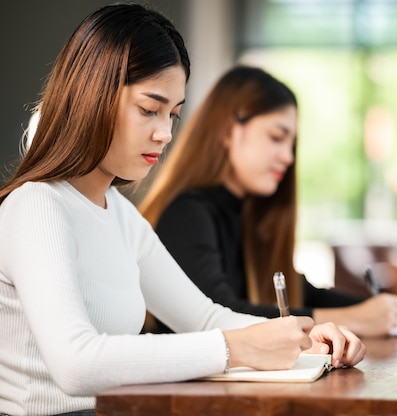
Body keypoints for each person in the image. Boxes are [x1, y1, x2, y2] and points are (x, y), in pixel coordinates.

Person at [0, 5, 365, 416]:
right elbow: (76, 364)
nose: (165, 133)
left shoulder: (120, 215)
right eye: (149, 109)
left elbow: (205, 318)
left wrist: (305, 335)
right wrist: (234, 348)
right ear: (92, 96)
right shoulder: (36, 206)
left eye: (172, 113)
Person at [139, 65, 397, 337]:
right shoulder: (187, 214)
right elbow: (219, 315)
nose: (287, 157)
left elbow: (302, 291)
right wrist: (352, 319)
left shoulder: (251, 215)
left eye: (292, 144)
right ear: (227, 132)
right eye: (277, 137)